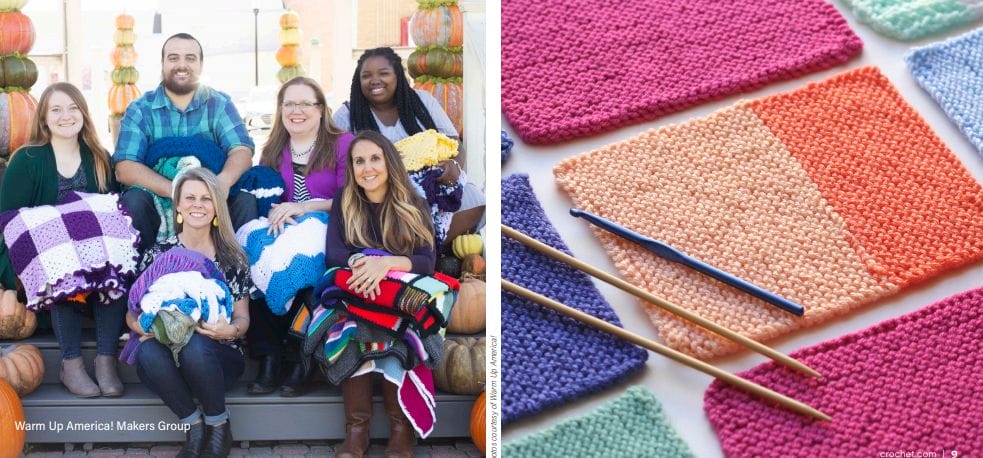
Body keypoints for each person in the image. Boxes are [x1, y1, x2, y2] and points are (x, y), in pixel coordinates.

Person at [0, 82, 126, 398]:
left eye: (72, 108)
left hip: (90, 258)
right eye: (56, 109)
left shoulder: (99, 157)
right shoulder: (27, 160)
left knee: (115, 260)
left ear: (83, 114)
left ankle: (106, 360)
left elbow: (110, 217)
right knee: (63, 263)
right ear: (43, 118)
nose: (65, 116)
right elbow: (7, 223)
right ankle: (70, 364)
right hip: (38, 261)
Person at [125, 168, 251, 457]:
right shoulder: (158, 254)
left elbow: (244, 318)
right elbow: (132, 313)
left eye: (206, 199)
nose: (198, 205)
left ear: (217, 206)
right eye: (190, 198)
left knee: (194, 345)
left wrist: (230, 330)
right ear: (178, 206)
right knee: (146, 353)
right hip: (167, 359)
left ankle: (219, 425)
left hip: (218, 358)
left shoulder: (234, 257)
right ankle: (193, 425)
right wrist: (140, 327)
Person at [325, 131, 436, 458]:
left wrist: (384, 264)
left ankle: (401, 430)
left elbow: (426, 261)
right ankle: (356, 431)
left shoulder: (412, 203)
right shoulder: (344, 201)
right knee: (348, 330)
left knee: (400, 333)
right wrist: (364, 265)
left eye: (375, 158)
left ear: (389, 162)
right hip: (357, 288)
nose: (367, 168)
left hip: (402, 295)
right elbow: (334, 254)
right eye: (359, 161)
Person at [246, 76, 354, 396]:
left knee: (299, 260)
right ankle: (267, 356)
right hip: (287, 226)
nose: (297, 110)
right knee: (255, 252)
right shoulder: (275, 149)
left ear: (321, 109)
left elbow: (353, 198)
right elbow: (266, 194)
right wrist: (276, 215)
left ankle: (299, 357)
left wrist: (303, 207)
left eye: (305, 103)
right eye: (289, 104)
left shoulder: (343, 143)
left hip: (331, 226)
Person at [114, 32, 256, 253]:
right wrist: (177, 191)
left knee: (246, 200)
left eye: (190, 58)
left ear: (201, 64)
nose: (182, 65)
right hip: (159, 195)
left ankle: (238, 273)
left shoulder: (219, 104)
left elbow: (241, 150)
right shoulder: (140, 109)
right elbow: (125, 167)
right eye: (173, 58)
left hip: (212, 193)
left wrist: (221, 184)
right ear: (162, 64)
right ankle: (145, 275)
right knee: (134, 201)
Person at [333, 47, 484, 250]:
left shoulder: (423, 102)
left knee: (475, 200)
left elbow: (454, 144)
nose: (375, 80)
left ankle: (423, 249)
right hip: (380, 196)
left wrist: (452, 167)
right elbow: (335, 159)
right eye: (366, 76)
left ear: (398, 75)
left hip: (431, 187)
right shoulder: (347, 114)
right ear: (358, 81)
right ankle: (412, 252)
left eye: (383, 73)